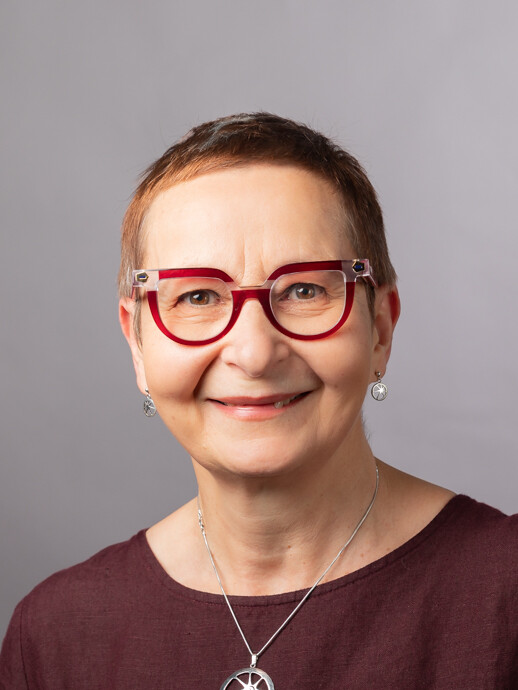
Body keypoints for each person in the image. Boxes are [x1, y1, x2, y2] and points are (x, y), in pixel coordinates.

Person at [1, 113, 516, 689]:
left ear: (380, 330)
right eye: (198, 297)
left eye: (304, 289)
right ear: (138, 344)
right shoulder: (54, 635)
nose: (253, 352)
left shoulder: (505, 593)